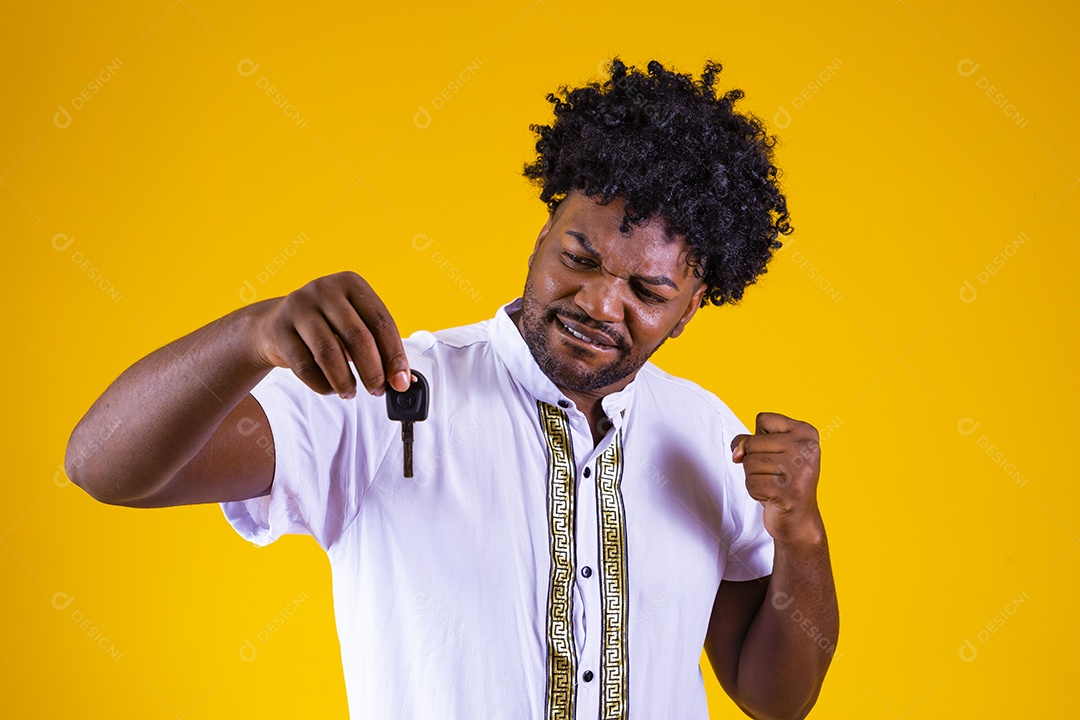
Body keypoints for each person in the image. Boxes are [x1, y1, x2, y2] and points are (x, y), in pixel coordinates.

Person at [66, 58, 838, 719]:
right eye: (579, 257)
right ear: (542, 234)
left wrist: (799, 533)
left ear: (690, 308)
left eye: (648, 289)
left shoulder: (705, 432)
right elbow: (103, 467)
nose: (602, 303)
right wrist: (249, 335)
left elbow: (775, 698)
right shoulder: (377, 388)